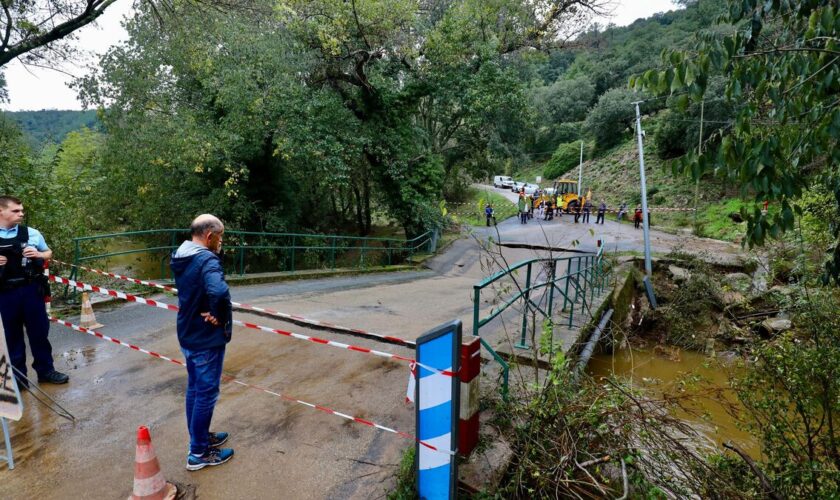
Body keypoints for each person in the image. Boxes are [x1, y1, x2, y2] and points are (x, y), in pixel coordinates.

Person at [171, 214, 235, 471]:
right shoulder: (206, 258)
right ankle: (198, 453)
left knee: (195, 389)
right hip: (205, 336)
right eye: (220, 238)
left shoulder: (181, 254)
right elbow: (219, 291)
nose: (221, 243)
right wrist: (219, 315)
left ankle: (199, 437)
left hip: (188, 331)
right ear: (209, 237)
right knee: (207, 393)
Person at [0, 196, 69, 389]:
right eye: (16, 211)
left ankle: (46, 371)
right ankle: (19, 379)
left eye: (22, 210)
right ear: (1, 211)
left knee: (39, 333)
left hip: (31, 290)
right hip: (5, 294)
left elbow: (48, 252)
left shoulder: (31, 233)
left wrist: (39, 254)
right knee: (11, 337)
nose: (21, 214)